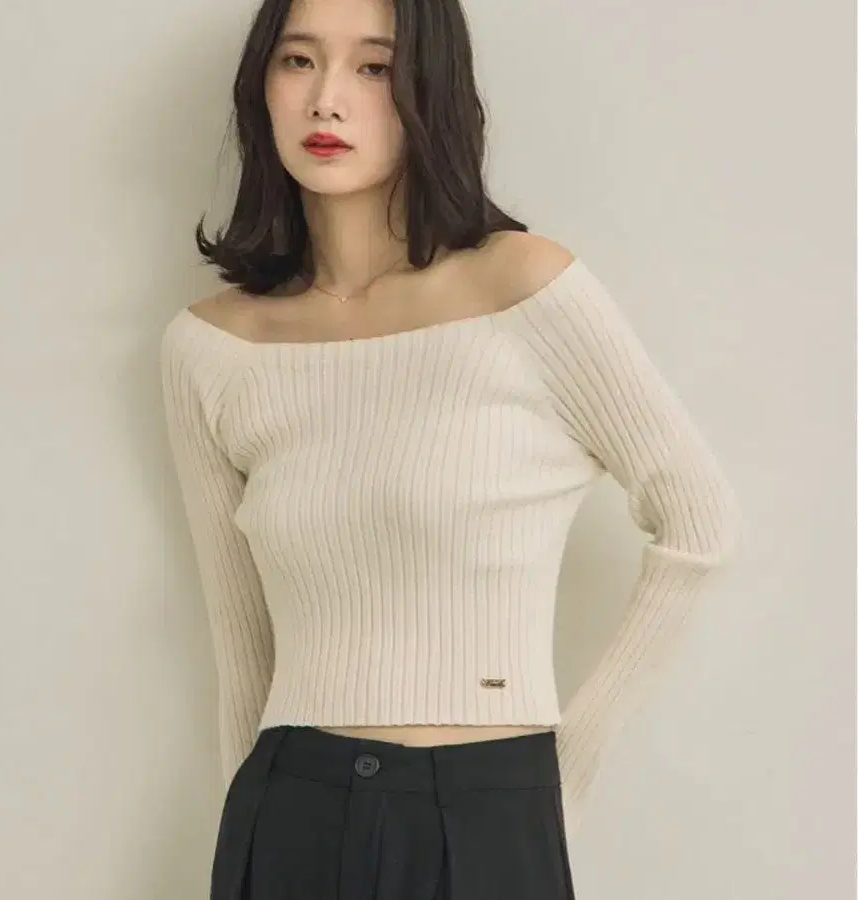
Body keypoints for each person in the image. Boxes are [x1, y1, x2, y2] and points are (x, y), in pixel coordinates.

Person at [159, 0, 743, 896]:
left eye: (374, 67)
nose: (326, 99)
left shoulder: (525, 290)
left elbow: (700, 525)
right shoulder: (212, 347)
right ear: (260, 87)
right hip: (287, 811)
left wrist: (555, 775)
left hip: (486, 809)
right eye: (298, 60)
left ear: (430, 87)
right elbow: (243, 645)